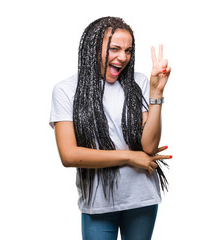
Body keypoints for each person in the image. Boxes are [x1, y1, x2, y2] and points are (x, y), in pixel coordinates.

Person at [49, 16, 171, 240]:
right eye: (115, 48)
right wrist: (131, 157)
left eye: (128, 50)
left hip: (142, 196)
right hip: (98, 202)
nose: (123, 57)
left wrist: (156, 94)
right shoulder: (66, 90)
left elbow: (149, 145)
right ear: (93, 46)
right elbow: (69, 155)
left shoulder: (140, 82)